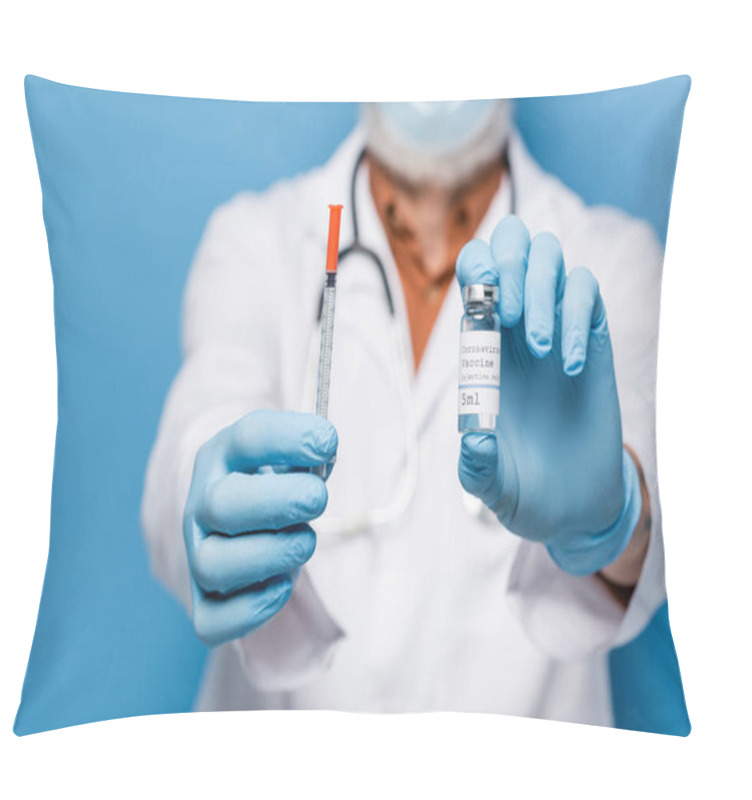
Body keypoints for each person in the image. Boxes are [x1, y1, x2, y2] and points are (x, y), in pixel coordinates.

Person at [141, 100, 665, 725]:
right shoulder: (260, 239)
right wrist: (209, 499)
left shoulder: (611, 257)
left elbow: (665, 508)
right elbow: (206, 410)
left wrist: (613, 515)